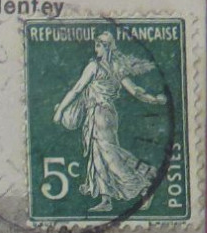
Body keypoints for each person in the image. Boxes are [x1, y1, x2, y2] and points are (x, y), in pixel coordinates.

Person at [53, 29, 167, 213]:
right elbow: (136, 90)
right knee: (100, 154)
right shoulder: (117, 68)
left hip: (98, 113)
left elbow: (76, 89)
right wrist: (153, 99)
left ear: (105, 47)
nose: (95, 49)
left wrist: (60, 111)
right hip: (108, 115)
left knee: (108, 154)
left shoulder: (94, 67)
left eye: (98, 45)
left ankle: (144, 185)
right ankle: (106, 199)